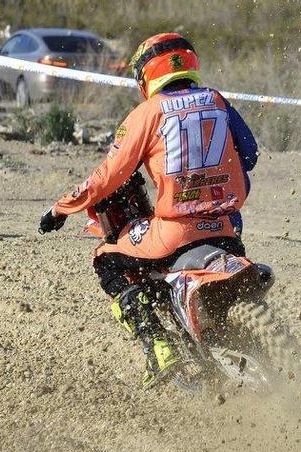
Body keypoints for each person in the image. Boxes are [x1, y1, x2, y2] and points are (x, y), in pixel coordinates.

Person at [39, 33, 258, 387]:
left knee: (107, 258)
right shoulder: (218, 101)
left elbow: (108, 176)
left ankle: (157, 345)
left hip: (174, 232)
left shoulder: (147, 113)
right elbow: (250, 155)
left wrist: (62, 208)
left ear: (146, 76)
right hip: (227, 228)